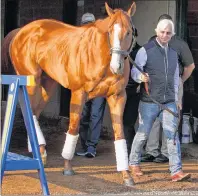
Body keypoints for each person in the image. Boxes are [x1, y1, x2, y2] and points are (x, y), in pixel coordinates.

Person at [129, 18, 191, 182]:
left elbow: (176, 79)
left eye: (168, 33)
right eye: (162, 32)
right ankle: (133, 163)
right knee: (143, 134)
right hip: (149, 101)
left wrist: (178, 99)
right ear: (156, 31)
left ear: (172, 35)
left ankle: (176, 171)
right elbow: (134, 72)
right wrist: (141, 77)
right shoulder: (145, 50)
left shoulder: (173, 53)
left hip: (169, 101)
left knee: (172, 135)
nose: (165, 35)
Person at [141, 14, 195, 163]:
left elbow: (190, 66)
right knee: (153, 116)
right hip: (155, 83)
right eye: (161, 29)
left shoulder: (179, 43)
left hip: (173, 83)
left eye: (167, 30)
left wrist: (180, 80)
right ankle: (151, 151)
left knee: (170, 117)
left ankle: (165, 152)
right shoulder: (152, 41)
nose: (164, 33)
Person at [76, 13, 106, 158]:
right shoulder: (77, 44)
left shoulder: (103, 42)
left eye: (90, 24)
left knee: (96, 115)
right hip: (83, 86)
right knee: (82, 116)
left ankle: (91, 147)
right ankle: (84, 146)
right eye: (85, 24)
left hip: (99, 86)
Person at [123, 28, 141, 156]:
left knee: (129, 122)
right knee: (122, 123)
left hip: (134, 91)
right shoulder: (120, 50)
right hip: (121, 91)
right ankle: (125, 150)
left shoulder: (140, 51)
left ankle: (131, 151)